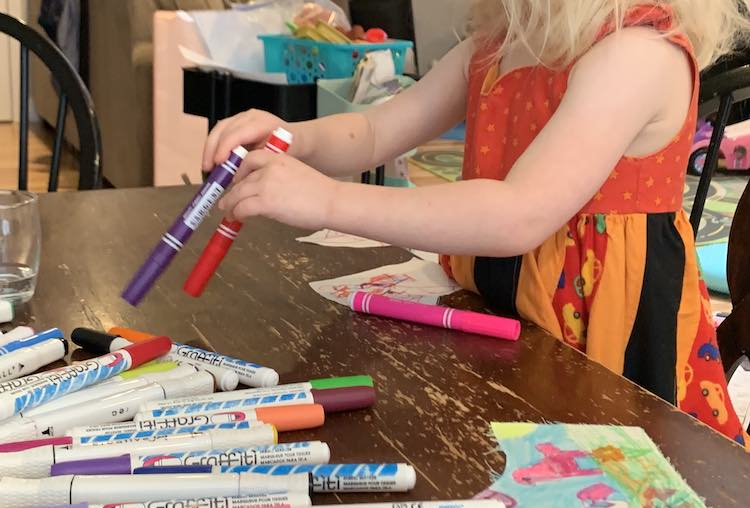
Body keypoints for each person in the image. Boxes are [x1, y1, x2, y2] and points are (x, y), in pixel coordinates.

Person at [207, 1, 750, 444]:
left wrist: (327, 201)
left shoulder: (638, 52)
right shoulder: (501, 42)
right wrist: (294, 137)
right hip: (504, 314)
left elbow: (519, 213)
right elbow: (375, 132)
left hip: (609, 341)